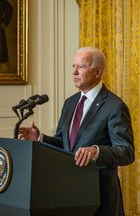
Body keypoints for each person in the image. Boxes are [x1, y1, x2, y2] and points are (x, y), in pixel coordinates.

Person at [18, 47, 134, 216]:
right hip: (69, 195)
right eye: (73, 66)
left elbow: (126, 152)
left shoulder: (114, 106)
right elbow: (62, 143)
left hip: (99, 197)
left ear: (97, 71)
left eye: (81, 67)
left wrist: (96, 151)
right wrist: (40, 137)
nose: (74, 72)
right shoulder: (70, 103)